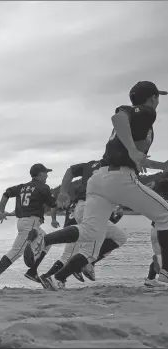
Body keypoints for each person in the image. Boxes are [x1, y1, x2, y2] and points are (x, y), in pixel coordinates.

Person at [24, 81, 168, 290]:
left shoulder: (137, 124)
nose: (158, 102)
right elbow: (118, 116)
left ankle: (46, 244)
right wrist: (134, 151)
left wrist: (152, 162)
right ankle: (165, 271)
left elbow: (127, 152)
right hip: (119, 179)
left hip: (100, 179)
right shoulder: (146, 113)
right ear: (153, 98)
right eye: (157, 98)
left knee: (90, 232)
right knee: (165, 215)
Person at [38, 160, 127, 287]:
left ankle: (59, 275)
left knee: (118, 237)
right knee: (75, 255)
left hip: (78, 220)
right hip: (81, 222)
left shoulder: (90, 168)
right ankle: (52, 273)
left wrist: (63, 193)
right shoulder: (119, 166)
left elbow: (70, 171)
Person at [0, 164, 59, 292]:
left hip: (24, 222)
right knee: (17, 251)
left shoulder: (22, 187)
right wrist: (54, 218)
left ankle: (32, 271)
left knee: (47, 242)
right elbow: (53, 204)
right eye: (46, 173)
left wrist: (1, 211)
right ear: (40, 174)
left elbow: (6, 193)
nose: (47, 175)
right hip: (31, 224)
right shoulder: (43, 187)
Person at [145, 176, 168, 287]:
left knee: (160, 254)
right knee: (162, 255)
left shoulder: (157, 188)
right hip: (163, 230)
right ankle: (162, 273)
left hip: (155, 228)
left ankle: (150, 279)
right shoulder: (163, 184)